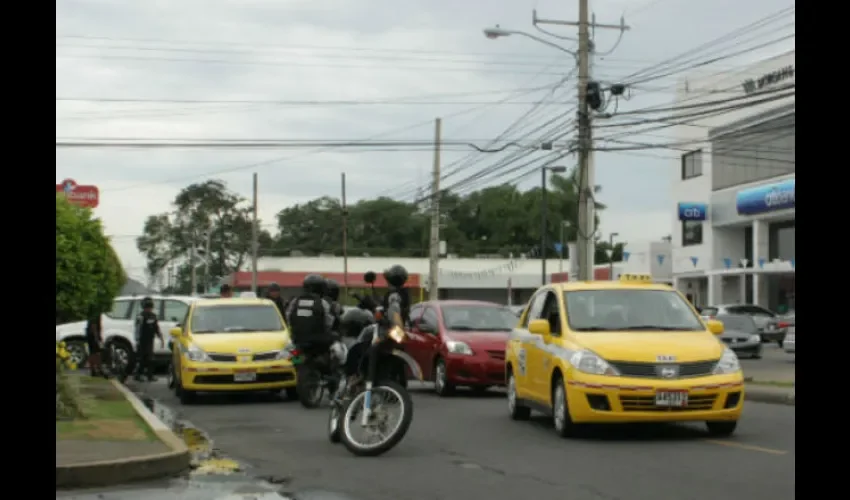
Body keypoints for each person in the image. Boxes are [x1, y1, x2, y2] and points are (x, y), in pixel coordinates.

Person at [285, 274, 335, 355]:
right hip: (318, 345)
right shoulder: (323, 303)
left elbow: (288, 318)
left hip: (297, 342)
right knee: (329, 358)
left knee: (295, 362)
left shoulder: (295, 301)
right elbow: (329, 323)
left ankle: (297, 363)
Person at [134, 297, 164, 382]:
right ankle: (138, 375)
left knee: (151, 359)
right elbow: (137, 329)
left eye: (150, 307)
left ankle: (150, 375)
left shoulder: (153, 316)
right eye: (147, 307)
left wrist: (161, 337)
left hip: (150, 340)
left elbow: (156, 328)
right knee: (142, 359)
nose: (149, 309)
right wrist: (137, 340)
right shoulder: (140, 317)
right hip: (142, 340)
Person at [85, 309, 106, 378]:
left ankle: (93, 371)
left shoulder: (93, 311)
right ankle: (99, 370)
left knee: (92, 353)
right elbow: (94, 325)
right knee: (97, 353)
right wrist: (97, 338)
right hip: (93, 335)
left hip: (90, 334)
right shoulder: (96, 312)